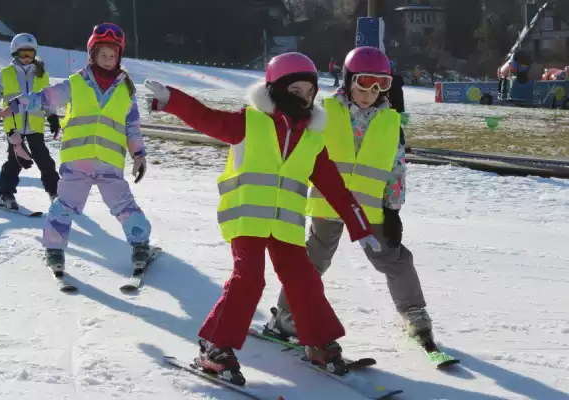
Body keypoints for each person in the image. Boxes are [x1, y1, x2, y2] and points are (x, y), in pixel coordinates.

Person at [145, 52, 380, 384]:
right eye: (295, 91)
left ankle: (317, 342)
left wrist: (360, 226)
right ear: (276, 90)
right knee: (249, 279)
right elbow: (207, 118)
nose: (303, 98)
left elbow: (336, 188)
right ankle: (215, 346)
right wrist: (172, 99)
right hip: (248, 220)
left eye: (308, 93)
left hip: (285, 226)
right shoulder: (250, 122)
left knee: (305, 279)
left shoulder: (313, 140)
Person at [265, 46, 436, 346]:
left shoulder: (390, 120)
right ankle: (286, 314)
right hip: (328, 202)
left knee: (394, 259)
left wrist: (393, 209)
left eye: (381, 85)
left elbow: (397, 168)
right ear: (347, 80)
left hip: (370, 208)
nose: (371, 92)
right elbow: (299, 147)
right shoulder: (325, 111)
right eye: (364, 82)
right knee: (313, 261)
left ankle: (414, 311)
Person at [0, 23, 152, 271]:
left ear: (119, 57)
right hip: (77, 160)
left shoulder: (126, 90)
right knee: (65, 206)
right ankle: (54, 248)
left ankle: (140, 244)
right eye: (102, 54)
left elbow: (131, 126)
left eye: (112, 55)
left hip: (109, 162)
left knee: (124, 205)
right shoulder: (76, 83)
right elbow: (45, 97)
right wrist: (17, 104)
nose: (107, 59)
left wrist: (138, 154)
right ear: (92, 55)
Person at [0, 33, 60, 209]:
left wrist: (52, 117)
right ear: (15, 54)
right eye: (23, 54)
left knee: (44, 160)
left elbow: (48, 99)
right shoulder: (6, 74)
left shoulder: (42, 75)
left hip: (35, 126)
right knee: (14, 161)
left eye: (30, 54)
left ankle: (55, 194)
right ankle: (5, 194)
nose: (27, 58)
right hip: (14, 127)